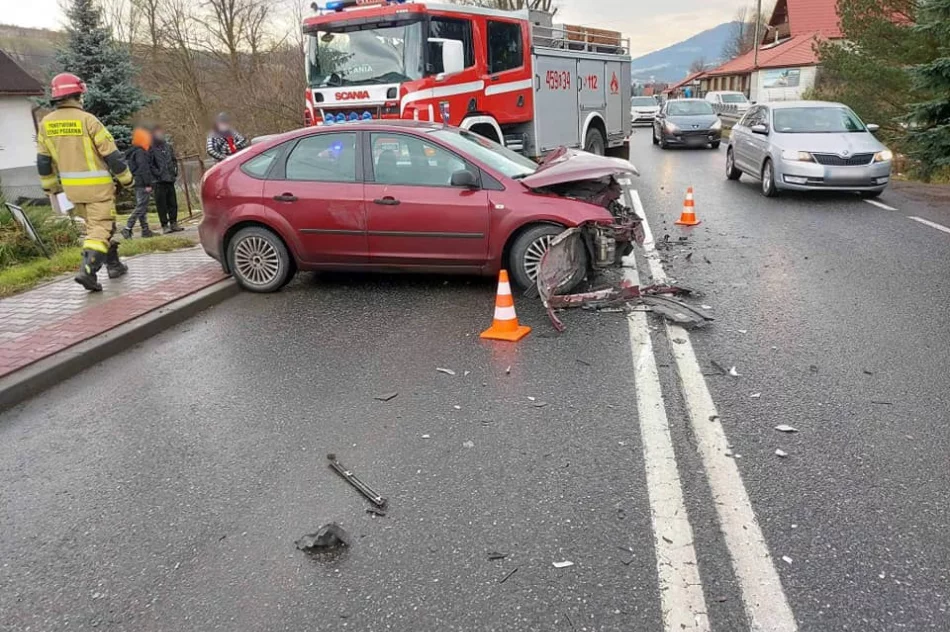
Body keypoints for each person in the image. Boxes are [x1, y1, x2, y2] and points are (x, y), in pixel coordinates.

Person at [36, 72, 133, 292]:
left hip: (72, 192)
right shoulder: (88, 120)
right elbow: (112, 155)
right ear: (77, 94)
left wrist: (51, 187)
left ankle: (114, 265)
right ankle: (88, 272)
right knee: (100, 229)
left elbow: (43, 161)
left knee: (98, 227)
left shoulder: (46, 124)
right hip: (97, 189)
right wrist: (127, 180)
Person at [122, 126, 156, 239]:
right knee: (141, 206)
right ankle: (127, 228)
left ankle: (145, 230)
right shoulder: (141, 152)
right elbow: (143, 168)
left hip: (138, 181)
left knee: (142, 206)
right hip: (142, 182)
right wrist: (148, 184)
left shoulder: (134, 151)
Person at [150, 125, 183, 234]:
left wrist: (174, 172)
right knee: (161, 204)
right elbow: (150, 164)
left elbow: (174, 160)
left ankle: (174, 223)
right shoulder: (151, 148)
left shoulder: (168, 147)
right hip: (158, 181)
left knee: (172, 203)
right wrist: (158, 174)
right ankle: (165, 225)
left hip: (170, 178)